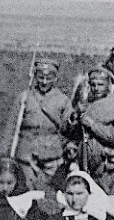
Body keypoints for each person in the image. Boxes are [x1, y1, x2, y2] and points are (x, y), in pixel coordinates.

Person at [62, 67, 114, 220]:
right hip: (91, 170)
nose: (96, 88)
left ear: (109, 85)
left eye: (100, 84)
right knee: (94, 212)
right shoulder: (86, 106)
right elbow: (70, 133)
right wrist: (75, 119)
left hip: (113, 168)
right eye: (93, 84)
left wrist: (94, 126)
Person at [4, 58, 71, 191]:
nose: (44, 82)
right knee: (24, 189)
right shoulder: (24, 97)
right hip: (26, 155)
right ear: (35, 76)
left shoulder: (63, 100)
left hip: (52, 155)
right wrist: (5, 154)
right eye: (41, 77)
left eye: (49, 78)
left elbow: (68, 130)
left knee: (54, 191)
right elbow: (11, 128)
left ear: (55, 78)